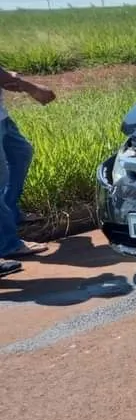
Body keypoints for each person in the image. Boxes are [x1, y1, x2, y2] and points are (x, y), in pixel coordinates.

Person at [1, 63, 55, 271]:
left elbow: (5, 76)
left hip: (2, 118)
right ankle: (7, 244)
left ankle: (11, 212)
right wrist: (30, 86)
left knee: (21, 153)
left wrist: (10, 77)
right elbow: (4, 77)